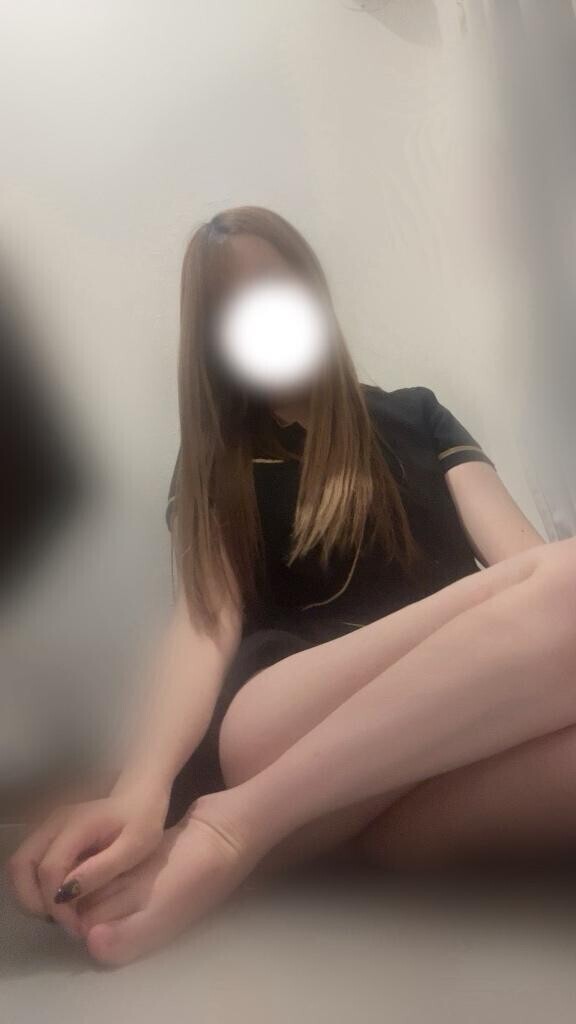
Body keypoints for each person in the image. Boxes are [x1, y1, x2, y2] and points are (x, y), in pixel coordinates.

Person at [9, 207, 576, 968]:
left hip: (406, 770)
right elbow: (204, 620)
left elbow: (528, 571)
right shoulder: (219, 460)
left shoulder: (416, 415)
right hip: (285, 724)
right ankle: (232, 823)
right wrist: (141, 788)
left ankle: (277, 833)